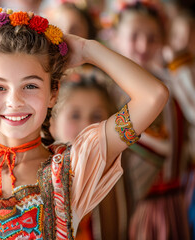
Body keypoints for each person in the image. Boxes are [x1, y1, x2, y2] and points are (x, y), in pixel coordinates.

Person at [0, 8, 168, 239]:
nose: (14, 101)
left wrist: (87, 49)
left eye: (31, 86)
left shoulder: (73, 169)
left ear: (53, 93)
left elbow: (153, 96)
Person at [110, 2, 191, 239]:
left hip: (175, 197)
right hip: (135, 203)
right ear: (115, 38)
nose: (144, 46)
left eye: (152, 38)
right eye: (134, 36)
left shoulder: (170, 84)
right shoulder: (110, 91)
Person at [50, 77, 127, 240]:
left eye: (97, 116)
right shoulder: (40, 177)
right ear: (53, 124)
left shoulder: (121, 172)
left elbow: (154, 97)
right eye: (75, 115)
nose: (87, 125)